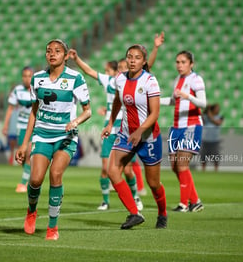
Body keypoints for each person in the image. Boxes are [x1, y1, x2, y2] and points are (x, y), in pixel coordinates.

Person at [16, 39, 91, 240]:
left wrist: (76, 121)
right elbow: (34, 111)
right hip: (42, 134)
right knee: (35, 179)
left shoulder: (76, 78)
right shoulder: (37, 78)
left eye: (57, 51)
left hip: (66, 137)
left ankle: (52, 227)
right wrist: (25, 143)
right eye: (49, 51)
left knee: (56, 175)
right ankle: (31, 210)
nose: (52, 54)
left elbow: (88, 111)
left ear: (66, 56)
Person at [101, 44, 167, 230]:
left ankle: (162, 213)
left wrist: (140, 131)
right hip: (126, 134)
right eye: (129, 56)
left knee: (153, 184)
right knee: (113, 172)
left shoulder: (150, 81)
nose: (132, 60)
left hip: (148, 137)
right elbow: (116, 101)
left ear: (144, 61)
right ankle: (134, 213)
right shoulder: (120, 79)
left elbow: (154, 113)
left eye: (137, 57)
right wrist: (109, 123)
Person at [68, 51, 143, 211]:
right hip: (109, 129)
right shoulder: (110, 82)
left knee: (128, 169)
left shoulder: (134, 84)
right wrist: (77, 58)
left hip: (125, 130)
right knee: (104, 168)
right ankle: (105, 201)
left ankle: (135, 197)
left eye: (125, 67)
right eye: (120, 67)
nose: (122, 70)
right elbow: (89, 71)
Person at [159, 50, 206, 213]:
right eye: (177, 62)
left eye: (183, 62)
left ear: (191, 64)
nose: (179, 65)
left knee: (182, 164)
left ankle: (183, 203)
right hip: (177, 126)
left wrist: (188, 96)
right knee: (174, 165)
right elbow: (173, 101)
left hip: (191, 125)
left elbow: (203, 103)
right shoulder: (177, 80)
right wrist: (156, 100)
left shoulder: (196, 80)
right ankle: (195, 201)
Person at [2, 67, 34, 192]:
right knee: (22, 156)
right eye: (25, 76)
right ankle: (29, 177)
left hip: (34, 127)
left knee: (29, 153)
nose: (27, 78)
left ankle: (23, 184)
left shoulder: (37, 89)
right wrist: (5, 125)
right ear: (22, 77)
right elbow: (10, 109)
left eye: (29, 75)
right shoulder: (17, 90)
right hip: (21, 127)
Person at [200, 103, 223, 171]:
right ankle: (203, 169)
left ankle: (216, 169)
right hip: (205, 139)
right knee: (203, 156)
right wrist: (206, 109)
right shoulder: (206, 116)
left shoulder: (220, 116)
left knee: (216, 156)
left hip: (215, 140)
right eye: (216, 108)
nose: (218, 110)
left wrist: (209, 114)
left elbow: (217, 123)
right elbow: (201, 118)